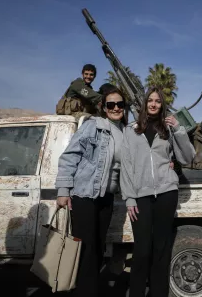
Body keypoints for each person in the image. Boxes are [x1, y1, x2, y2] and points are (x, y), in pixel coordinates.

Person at [120, 87, 196, 297]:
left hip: (166, 194)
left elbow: (187, 158)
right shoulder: (131, 129)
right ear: (144, 104)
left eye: (158, 101)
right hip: (141, 196)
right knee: (142, 250)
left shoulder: (168, 129)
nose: (153, 104)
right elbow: (126, 165)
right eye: (150, 100)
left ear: (162, 105)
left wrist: (179, 130)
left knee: (161, 251)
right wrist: (129, 198)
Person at [55, 83, 126, 296]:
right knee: (86, 249)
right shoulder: (93, 125)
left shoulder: (127, 132)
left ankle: (88, 289)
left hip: (107, 198)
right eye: (110, 104)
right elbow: (70, 156)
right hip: (85, 194)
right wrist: (63, 190)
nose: (115, 108)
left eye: (119, 104)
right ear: (104, 107)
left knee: (98, 248)